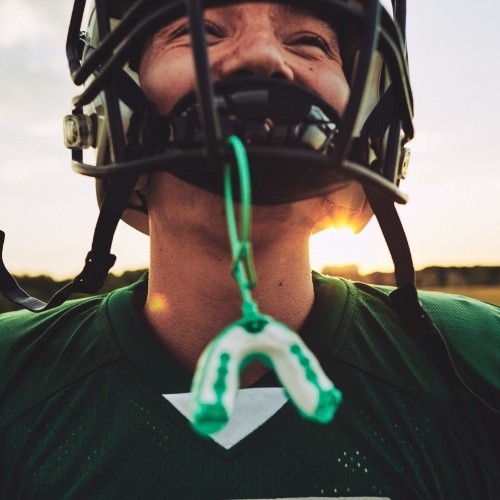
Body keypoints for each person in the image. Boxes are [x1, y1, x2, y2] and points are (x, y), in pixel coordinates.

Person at [0, 0, 499, 498]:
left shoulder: (479, 359)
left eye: (308, 41)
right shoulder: (13, 378)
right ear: (122, 102)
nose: (262, 57)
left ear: (366, 111)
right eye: (207, 31)